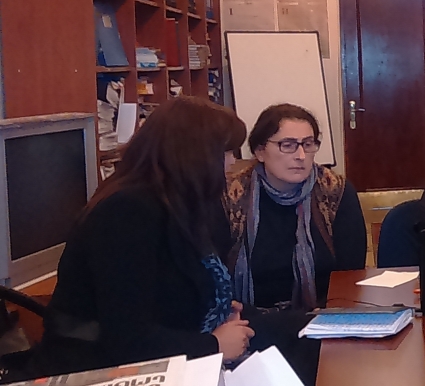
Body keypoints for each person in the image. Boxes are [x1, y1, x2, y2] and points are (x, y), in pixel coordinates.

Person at [22, 97, 254, 378]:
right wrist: (212, 344)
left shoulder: (183, 204)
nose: (232, 162)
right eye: (225, 152)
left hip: (172, 358)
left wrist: (215, 307)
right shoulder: (126, 211)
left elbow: (171, 291)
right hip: (96, 369)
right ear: (194, 154)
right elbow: (126, 338)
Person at [221, 104, 366, 312]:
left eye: (308, 144)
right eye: (287, 145)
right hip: (248, 318)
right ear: (260, 151)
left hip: (321, 316)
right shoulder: (231, 195)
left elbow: (351, 273)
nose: (301, 155)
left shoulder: (335, 191)